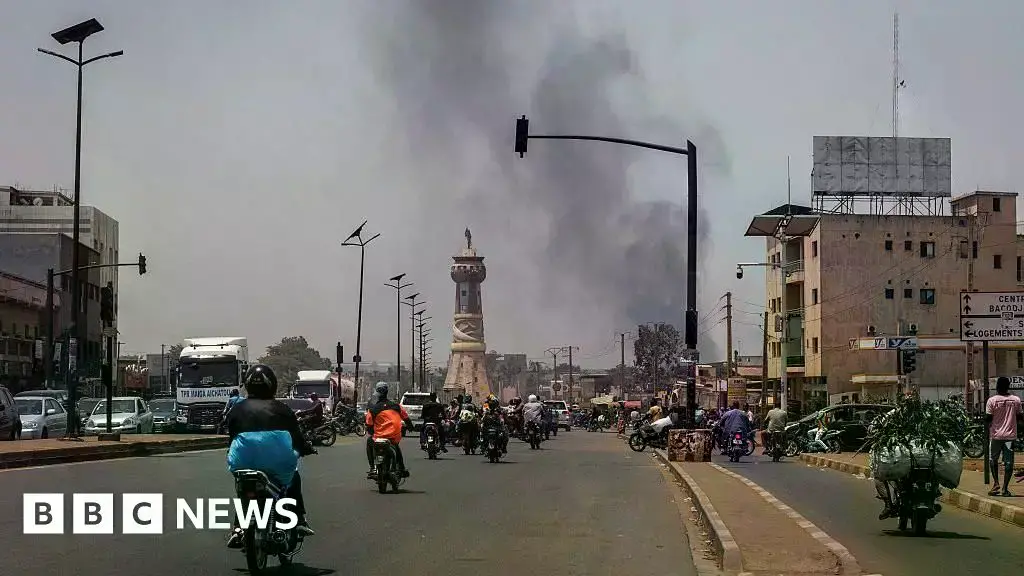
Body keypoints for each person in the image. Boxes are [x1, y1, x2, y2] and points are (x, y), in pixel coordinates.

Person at [225, 364, 315, 548]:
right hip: (278, 463)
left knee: (243, 490)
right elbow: (297, 438)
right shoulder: (282, 409)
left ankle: (237, 528)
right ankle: (297, 520)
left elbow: (231, 436)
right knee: (293, 479)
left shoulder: (237, 409)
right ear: (272, 384)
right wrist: (305, 448)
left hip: (242, 461)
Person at [365, 382, 414, 479]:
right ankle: (401, 468)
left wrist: (372, 432)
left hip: (378, 437)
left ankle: (372, 468)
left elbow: (369, 425)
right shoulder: (396, 406)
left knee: (369, 442)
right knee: (396, 447)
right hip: (394, 436)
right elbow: (407, 419)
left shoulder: (373, 408)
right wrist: (410, 427)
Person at [987, 376, 1022, 496]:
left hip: (996, 436)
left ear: (997, 387)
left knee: (993, 460)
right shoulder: (1016, 400)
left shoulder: (992, 400)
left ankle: (996, 483)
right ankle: (1005, 489)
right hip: (1010, 437)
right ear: (1008, 386)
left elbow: (988, 418)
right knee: (1008, 462)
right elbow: (1020, 417)